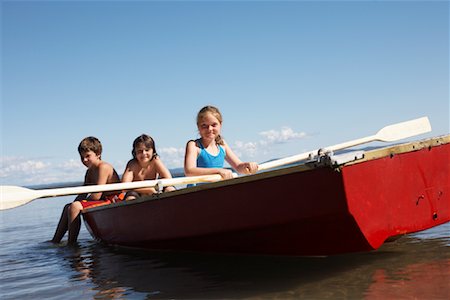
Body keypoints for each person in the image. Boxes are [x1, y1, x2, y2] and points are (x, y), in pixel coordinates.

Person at [51, 137, 120, 245]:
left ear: (98, 154)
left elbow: (97, 195)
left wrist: (77, 206)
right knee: (68, 207)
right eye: (82, 157)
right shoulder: (89, 172)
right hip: (102, 200)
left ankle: (71, 243)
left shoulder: (104, 167)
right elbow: (82, 194)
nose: (84, 160)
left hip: (114, 200)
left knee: (75, 207)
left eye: (88, 156)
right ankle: (55, 241)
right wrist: (73, 205)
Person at [184, 105, 259, 181]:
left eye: (213, 125)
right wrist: (218, 171)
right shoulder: (194, 145)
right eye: (204, 125)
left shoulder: (222, 145)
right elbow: (189, 171)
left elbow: (238, 167)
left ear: (220, 125)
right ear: (198, 126)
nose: (210, 129)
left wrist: (248, 166)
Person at [121, 134, 175, 201]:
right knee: (130, 197)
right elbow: (124, 186)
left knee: (170, 189)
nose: (144, 153)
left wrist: (157, 188)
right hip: (137, 192)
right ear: (135, 152)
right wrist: (147, 189)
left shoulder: (155, 161)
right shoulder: (132, 164)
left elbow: (169, 179)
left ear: (153, 151)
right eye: (140, 151)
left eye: (147, 150)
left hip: (153, 191)